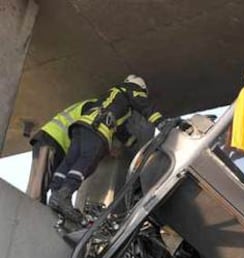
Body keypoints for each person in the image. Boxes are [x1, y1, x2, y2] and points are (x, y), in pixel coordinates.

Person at [47, 75, 164, 223]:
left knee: (70, 161)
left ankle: (55, 194)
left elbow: (118, 126)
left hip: (81, 127)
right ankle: (65, 196)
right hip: (98, 130)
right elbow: (144, 105)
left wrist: (130, 141)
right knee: (86, 162)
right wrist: (161, 123)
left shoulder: (111, 96)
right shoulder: (132, 89)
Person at [27, 99, 97, 203]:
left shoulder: (88, 104)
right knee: (39, 186)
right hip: (52, 140)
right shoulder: (94, 108)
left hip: (51, 140)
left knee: (39, 181)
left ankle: (35, 207)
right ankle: (33, 210)